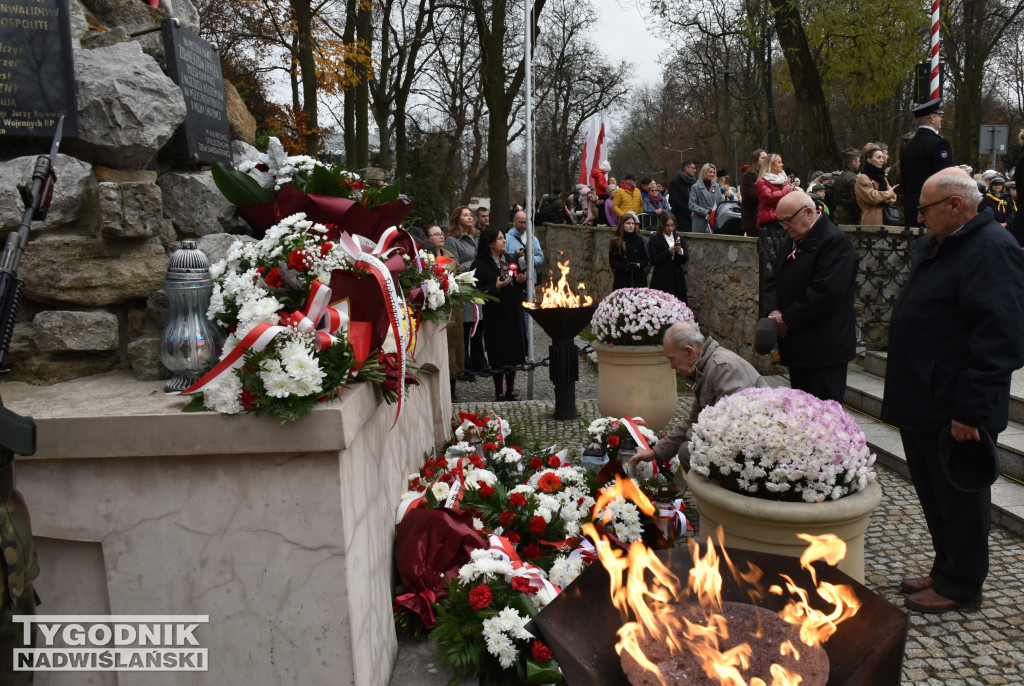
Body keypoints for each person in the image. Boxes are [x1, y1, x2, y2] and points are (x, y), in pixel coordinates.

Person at [881, 168, 1024, 613]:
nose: (919, 218)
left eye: (924, 209)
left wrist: (971, 411)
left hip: (954, 404)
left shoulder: (992, 250)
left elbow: (1000, 338)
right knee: (934, 493)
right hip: (924, 397)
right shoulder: (949, 244)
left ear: (955, 205)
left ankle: (961, 584)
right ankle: (946, 567)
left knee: (961, 499)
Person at [628, 321, 766, 473]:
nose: (672, 366)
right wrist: (655, 453)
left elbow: (733, 424)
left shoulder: (722, 367)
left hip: (758, 448)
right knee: (688, 449)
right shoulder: (705, 369)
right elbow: (694, 420)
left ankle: (714, 495)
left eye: (672, 358)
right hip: (741, 444)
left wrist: (691, 437)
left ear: (689, 352)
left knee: (688, 451)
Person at [762, 192, 857, 402]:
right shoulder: (794, 238)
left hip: (824, 350)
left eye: (788, 220)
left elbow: (825, 293)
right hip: (798, 348)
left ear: (808, 212)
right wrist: (774, 310)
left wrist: (787, 320)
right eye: (781, 221)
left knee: (823, 415)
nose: (784, 227)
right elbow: (773, 278)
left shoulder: (834, 242)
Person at [473, 227, 528, 401]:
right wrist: (495, 287)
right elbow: (478, 292)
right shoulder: (480, 264)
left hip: (513, 310)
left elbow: (519, 279)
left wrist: (521, 281)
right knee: (498, 353)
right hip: (495, 314)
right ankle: (499, 392)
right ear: (490, 244)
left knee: (513, 352)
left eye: (504, 238)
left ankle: (510, 390)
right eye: (500, 239)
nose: (504, 241)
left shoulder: (511, 258)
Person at [425, 224, 465, 402]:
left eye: (441, 233)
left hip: (453, 309)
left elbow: (460, 276)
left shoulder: (449, 255)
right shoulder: (425, 257)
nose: (441, 237)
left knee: (454, 348)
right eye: (436, 234)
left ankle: (453, 390)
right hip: (436, 309)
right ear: (428, 238)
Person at [445, 206, 487, 374]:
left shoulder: (477, 237)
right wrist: (475, 262)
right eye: (465, 215)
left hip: (479, 287)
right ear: (457, 219)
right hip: (464, 288)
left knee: (479, 326)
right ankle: (465, 366)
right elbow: (454, 267)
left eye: (471, 215)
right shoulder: (452, 240)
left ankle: (479, 363)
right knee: (466, 328)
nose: (470, 217)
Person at [900, 98, 954, 226]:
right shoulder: (940, 143)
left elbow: (905, 179)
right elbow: (945, 179)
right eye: (939, 116)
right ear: (932, 119)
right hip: (932, 205)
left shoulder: (907, 146)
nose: (941, 119)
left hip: (911, 205)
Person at [648, 213, 688, 303]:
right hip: (661, 276)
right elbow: (653, 260)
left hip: (677, 276)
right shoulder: (654, 240)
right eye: (667, 226)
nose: (670, 228)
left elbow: (684, 260)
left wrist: (680, 251)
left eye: (672, 225)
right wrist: (668, 252)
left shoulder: (678, 238)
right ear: (662, 225)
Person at [855, 144, 899, 225]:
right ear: (869, 160)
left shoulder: (882, 178)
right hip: (870, 221)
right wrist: (888, 194)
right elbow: (872, 197)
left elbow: (893, 197)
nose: (882, 160)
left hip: (886, 220)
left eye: (882, 157)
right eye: (878, 157)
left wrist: (884, 196)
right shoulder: (863, 178)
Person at [754, 154, 799, 230]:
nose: (782, 164)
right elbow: (769, 198)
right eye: (779, 162)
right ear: (771, 165)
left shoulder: (784, 180)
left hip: (785, 217)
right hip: (770, 220)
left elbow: (796, 194)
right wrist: (786, 190)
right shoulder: (761, 182)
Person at [608, 211, 648, 290]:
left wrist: (639, 264)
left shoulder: (639, 240)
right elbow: (613, 262)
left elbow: (645, 259)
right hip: (623, 278)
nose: (631, 226)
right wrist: (626, 266)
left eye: (633, 224)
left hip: (638, 278)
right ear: (622, 225)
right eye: (628, 223)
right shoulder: (616, 241)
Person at [688, 163, 724, 233]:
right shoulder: (696, 187)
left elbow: (721, 203)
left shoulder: (716, 186)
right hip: (700, 222)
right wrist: (707, 212)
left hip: (714, 222)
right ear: (704, 172)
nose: (712, 174)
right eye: (710, 172)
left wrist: (715, 212)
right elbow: (692, 205)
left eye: (714, 172)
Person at [741, 149, 767, 237]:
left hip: (766, 220)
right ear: (755, 160)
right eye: (763, 158)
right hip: (753, 221)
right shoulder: (747, 176)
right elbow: (750, 196)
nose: (766, 160)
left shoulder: (768, 176)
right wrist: (766, 192)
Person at [832, 149, 862, 224]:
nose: (860, 164)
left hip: (838, 215)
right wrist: (860, 216)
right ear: (853, 162)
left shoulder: (840, 177)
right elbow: (855, 200)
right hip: (849, 217)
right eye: (858, 161)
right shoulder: (853, 178)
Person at [668, 160, 698, 229]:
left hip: (693, 219)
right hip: (680, 219)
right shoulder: (675, 183)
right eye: (693, 168)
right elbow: (674, 201)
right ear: (686, 168)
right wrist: (689, 212)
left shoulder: (694, 184)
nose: (695, 170)